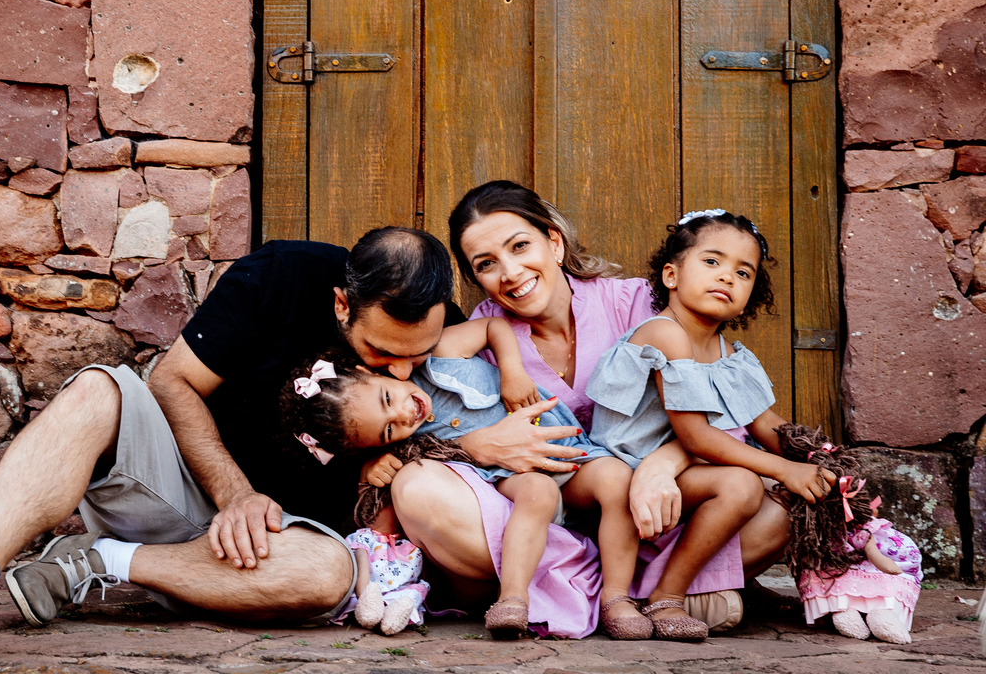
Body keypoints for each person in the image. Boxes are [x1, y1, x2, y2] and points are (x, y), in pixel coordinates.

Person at [0, 228, 457, 654]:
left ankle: (98, 562)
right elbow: (172, 381)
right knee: (100, 390)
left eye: (419, 356)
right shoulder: (279, 275)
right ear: (341, 303)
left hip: (273, 553)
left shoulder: (443, 326)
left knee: (329, 576)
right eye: (384, 353)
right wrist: (234, 496)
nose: (404, 373)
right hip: (183, 485)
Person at [386, 180, 792, 638]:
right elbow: (417, 407)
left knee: (772, 510)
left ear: (554, 242)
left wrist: (660, 465)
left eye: (521, 246)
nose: (512, 272)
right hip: (549, 521)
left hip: (649, 513)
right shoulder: (482, 334)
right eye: (486, 264)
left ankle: (630, 593)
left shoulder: (640, 303)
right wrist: (476, 446)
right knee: (418, 489)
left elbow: (712, 404)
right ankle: (659, 593)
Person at [281, 314, 648, 639]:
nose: (405, 415)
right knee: (537, 490)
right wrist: (372, 470)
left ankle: (617, 599)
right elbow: (380, 513)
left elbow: (493, 327)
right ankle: (513, 599)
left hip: (568, 457)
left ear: (368, 372)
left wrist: (512, 371)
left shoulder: (441, 354)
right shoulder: (404, 448)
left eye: (389, 399)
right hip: (503, 479)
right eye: (390, 430)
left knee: (616, 478)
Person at [586, 208, 836, 639]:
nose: (727, 277)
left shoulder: (728, 352)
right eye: (712, 262)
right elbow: (696, 436)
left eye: (743, 273)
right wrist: (784, 469)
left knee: (785, 501)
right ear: (671, 276)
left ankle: (733, 584)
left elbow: (764, 424)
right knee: (742, 484)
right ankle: (667, 596)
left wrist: (817, 457)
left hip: (682, 486)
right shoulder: (665, 334)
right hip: (627, 485)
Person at [775, 424, 921, 644]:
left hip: (865, 567)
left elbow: (879, 558)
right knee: (831, 590)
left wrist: (890, 566)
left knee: (861, 592)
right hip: (834, 566)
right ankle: (842, 614)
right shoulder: (814, 536)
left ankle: (879, 615)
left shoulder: (862, 530)